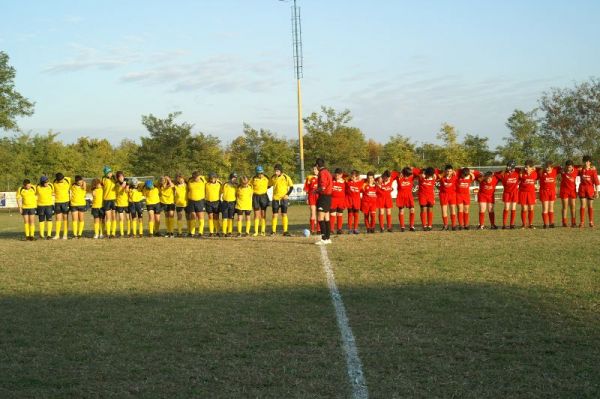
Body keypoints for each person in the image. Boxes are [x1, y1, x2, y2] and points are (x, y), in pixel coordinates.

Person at [270, 164, 294, 236]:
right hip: (275, 199)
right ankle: (273, 231)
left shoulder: (286, 177)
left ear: (280, 171)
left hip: (284, 198)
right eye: (275, 171)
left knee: (284, 214)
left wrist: (287, 195)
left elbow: (291, 187)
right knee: (275, 215)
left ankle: (285, 231)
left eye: (277, 171)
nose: (276, 172)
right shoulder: (273, 178)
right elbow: (268, 185)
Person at [314, 158, 333, 244]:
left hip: (324, 197)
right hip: (328, 197)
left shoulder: (322, 173)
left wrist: (316, 190)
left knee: (320, 217)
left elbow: (323, 186)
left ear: (317, 166)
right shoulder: (327, 172)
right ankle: (328, 238)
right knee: (326, 217)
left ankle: (324, 238)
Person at [496, 161, 520, 229]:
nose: (508, 167)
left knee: (513, 208)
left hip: (514, 193)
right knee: (506, 208)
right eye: (507, 166)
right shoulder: (503, 173)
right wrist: (502, 171)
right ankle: (504, 224)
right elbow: (495, 174)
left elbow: (522, 170)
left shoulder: (517, 173)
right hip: (507, 193)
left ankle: (512, 224)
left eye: (509, 166)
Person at [578, 155, 599, 227]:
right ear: (583, 162)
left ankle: (591, 222)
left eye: (588, 161)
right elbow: (572, 168)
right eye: (585, 161)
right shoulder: (580, 170)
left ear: (590, 162)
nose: (586, 163)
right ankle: (582, 222)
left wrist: (597, 192)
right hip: (582, 189)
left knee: (590, 206)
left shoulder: (593, 171)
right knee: (583, 205)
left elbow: (596, 182)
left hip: (590, 189)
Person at [537, 161, 560, 228]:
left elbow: (559, 167)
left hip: (552, 192)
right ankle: (546, 223)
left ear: (552, 168)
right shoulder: (541, 173)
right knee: (545, 208)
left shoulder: (554, 171)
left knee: (551, 208)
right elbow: (534, 169)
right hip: (544, 192)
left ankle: (551, 223)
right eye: (546, 167)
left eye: (549, 168)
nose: (547, 169)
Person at [395, 167, 417, 232]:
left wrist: (413, 169)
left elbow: (418, 173)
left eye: (409, 175)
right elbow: (393, 174)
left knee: (412, 210)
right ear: (404, 173)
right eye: (406, 175)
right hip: (401, 196)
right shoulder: (399, 177)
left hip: (409, 195)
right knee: (401, 211)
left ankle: (411, 226)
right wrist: (400, 173)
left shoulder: (411, 176)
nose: (408, 176)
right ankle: (402, 226)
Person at [251, 166, 270, 237]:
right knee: (256, 214)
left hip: (264, 197)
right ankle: (256, 232)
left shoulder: (267, 178)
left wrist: (263, 189)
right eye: (258, 173)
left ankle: (263, 231)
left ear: (263, 172)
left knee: (263, 214)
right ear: (256, 173)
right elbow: (249, 185)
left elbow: (270, 185)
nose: (260, 174)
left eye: (261, 173)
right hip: (255, 197)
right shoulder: (253, 178)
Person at [186, 171, 207, 237]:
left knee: (200, 216)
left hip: (200, 201)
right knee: (193, 216)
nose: (195, 178)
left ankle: (200, 232)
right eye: (194, 177)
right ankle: (192, 232)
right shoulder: (190, 181)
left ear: (199, 176)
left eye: (197, 177)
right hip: (191, 201)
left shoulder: (203, 180)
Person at [559, 160, 579, 227]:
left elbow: (582, 166)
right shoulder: (562, 171)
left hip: (572, 190)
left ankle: (573, 222)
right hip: (564, 191)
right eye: (567, 167)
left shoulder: (576, 170)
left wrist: (591, 167)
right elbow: (554, 168)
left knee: (573, 206)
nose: (568, 168)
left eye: (570, 167)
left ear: (572, 167)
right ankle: (564, 222)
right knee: (565, 206)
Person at [519, 160, 538, 229]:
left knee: (531, 208)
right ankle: (524, 224)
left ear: (531, 167)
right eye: (525, 167)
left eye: (528, 167)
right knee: (524, 208)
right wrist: (521, 171)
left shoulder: (535, 173)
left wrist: (534, 169)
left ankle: (531, 224)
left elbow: (541, 169)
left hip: (531, 193)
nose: (526, 168)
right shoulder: (521, 173)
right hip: (523, 192)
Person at [437, 165, 457, 231]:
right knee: (444, 210)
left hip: (452, 195)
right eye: (447, 171)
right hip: (443, 195)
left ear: (452, 171)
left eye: (450, 171)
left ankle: (453, 225)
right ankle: (445, 225)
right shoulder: (441, 177)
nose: (449, 172)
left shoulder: (455, 176)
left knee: (453, 210)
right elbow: (436, 172)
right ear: (445, 171)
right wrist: (442, 173)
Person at [416, 167, 436, 231]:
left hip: (430, 196)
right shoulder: (421, 177)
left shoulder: (433, 177)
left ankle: (430, 225)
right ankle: (424, 225)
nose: (429, 176)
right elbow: (414, 170)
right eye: (428, 175)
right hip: (422, 196)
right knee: (423, 210)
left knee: (430, 210)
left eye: (430, 175)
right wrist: (421, 171)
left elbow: (439, 171)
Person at [53, 172, 71, 240]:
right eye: (60, 180)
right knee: (58, 218)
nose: (62, 180)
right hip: (57, 202)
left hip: (65, 202)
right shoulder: (54, 182)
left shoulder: (67, 180)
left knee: (65, 218)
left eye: (62, 179)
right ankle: (57, 234)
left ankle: (65, 234)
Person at [101, 166, 117, 238]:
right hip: (106, 200)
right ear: (105, 174)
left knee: (114, 217)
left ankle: (113, 233)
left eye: (110, 172)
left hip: (114, 199)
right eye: (108, 173)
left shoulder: (114, 179)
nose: (109, 174)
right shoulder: (103, 179)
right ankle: (108, 233)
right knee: (108, 217)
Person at [330, 168, 347, 235]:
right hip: (333, 200)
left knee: (339, 214)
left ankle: (339, 229)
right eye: (336, 175)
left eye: (338, 175)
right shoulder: (332, 180)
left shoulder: (344, 181)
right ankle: (331, 229)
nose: (337, 176)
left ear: (341, 175)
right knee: (332, 214)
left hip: (341, 200)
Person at [345, 170, 363, 234]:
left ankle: (355, 228)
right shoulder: (348, 182)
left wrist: (358, 179)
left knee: (356, 215)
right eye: (352, 176)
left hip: (357, 201)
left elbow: (365, 180)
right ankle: (350, 229)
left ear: (357, 177)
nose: (353, 177)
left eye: (355, 176)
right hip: (349, 201)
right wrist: (349, 177)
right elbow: (344, 177)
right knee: (350, 215)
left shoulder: (360, 182)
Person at [221, 172, 238, 237]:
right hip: (225, 202)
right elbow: (221, 192)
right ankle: (223, 232)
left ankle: (229, 231)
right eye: (233, 178)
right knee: (224, 217)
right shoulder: (225, 184)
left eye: (235, 178)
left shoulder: (237, 185)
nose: (234, 179)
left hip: (232, 203)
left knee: (231, 217)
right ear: (230, 178)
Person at [303, 167, 320, 234]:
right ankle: (312, 229)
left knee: (319, 213)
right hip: (311, 196)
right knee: (313, 212)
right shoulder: (309, 177)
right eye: (313, 169)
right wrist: (307, 197)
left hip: (319, 196)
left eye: (316, 169)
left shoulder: (322, 176)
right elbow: (307, 188)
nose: (314, 170)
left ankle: (319, 229)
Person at [205, 172, 222, 237]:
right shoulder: (206, 184)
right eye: (211, 178)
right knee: (210, 217)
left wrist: (218, 180)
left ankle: (217, 231)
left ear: (216, 178)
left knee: (216, 217)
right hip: (208, 202)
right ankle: (211, 232)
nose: (212, 179)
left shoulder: (219, 184)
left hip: (216, 202)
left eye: (213, 178)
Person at [114, 171, 130, 238]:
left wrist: (127, 185)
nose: (121, 178)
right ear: (117, 178)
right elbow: (121, 188)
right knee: (121, 218)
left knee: (128, 218)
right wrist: (125, 183)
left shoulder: (126, 183)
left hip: (126, 203)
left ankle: (128, 232)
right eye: (120, 177)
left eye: (122, 177)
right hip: (119, 203)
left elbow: (126, 191)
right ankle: (122, 233)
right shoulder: (117, 184)